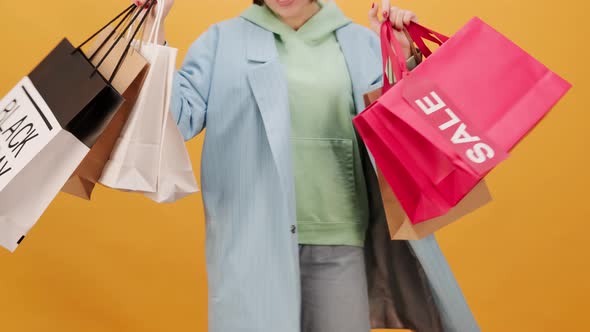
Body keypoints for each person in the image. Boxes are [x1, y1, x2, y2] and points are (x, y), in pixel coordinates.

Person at [133, 0, 479, 331]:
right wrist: (156, 23)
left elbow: (409, 137)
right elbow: (178, 117)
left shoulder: (360, 43)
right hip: (252, 244)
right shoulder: (220, 42)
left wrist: (401, 58)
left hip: (339, 240)